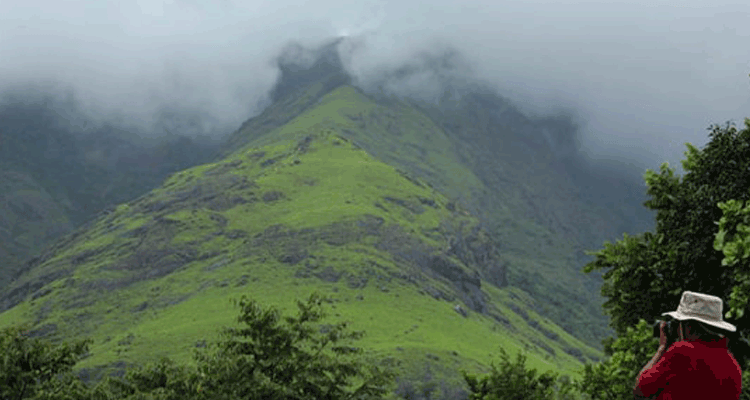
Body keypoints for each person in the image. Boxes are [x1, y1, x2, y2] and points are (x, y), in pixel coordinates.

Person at [633, 291, 743, 399]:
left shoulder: (682, 352)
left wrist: (662, 348)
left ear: (687, 326)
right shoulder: (733, 365)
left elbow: (641, 389)